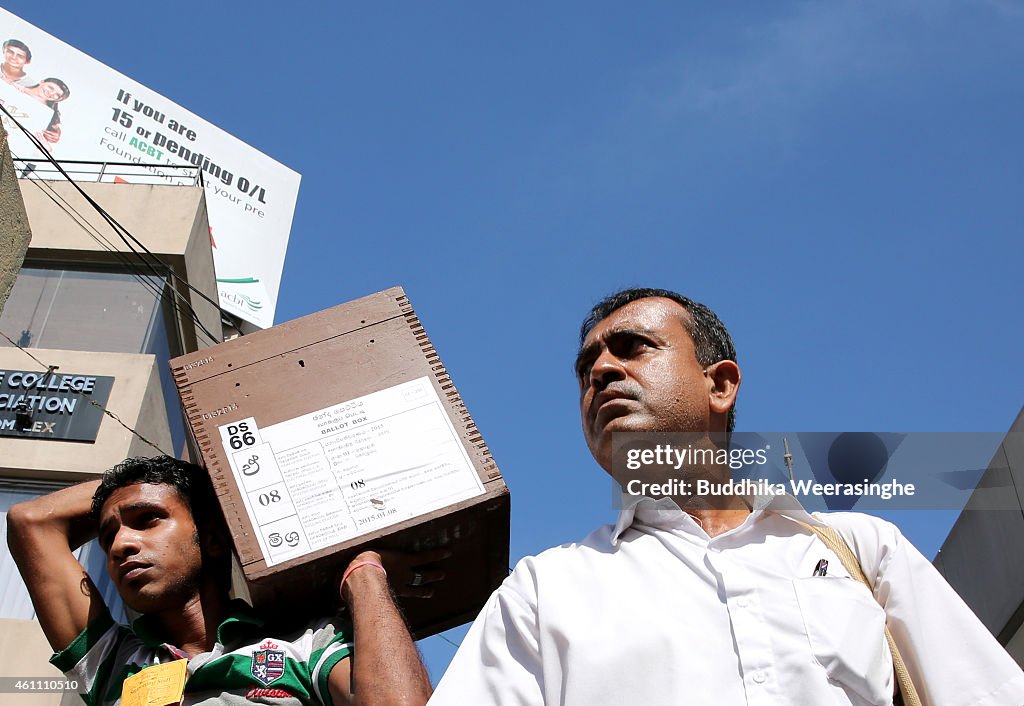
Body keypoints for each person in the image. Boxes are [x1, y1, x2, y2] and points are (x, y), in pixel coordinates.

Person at [429, 287, 1024, 705]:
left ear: (720, 384)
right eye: (588, 367)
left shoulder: (861, 550)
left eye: (633, 348)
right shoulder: (543, 591)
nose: (602, 372)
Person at [7, 455, 438, 706]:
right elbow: (31, 523)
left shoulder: (305, 648)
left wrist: (366, 577)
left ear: (212, 540)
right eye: (107, 535)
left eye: (147, 519)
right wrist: (209, 468)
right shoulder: (113, 665)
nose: (120, 545)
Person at [18, 77, 69, 144]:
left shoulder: (48, 115)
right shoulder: (17, 85)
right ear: (42, 82)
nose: (51, 93)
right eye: (50, 87)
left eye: (57, 95)